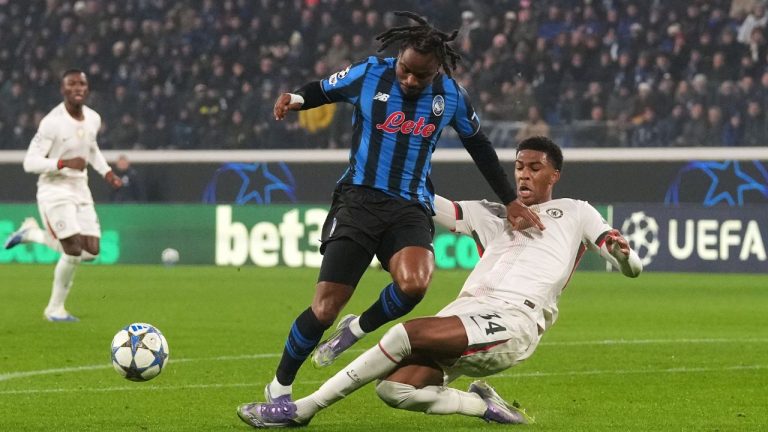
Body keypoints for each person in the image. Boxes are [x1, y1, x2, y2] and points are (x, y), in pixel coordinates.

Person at [237, 136, 642, 427]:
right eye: (518, 166)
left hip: (514, 319)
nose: (523, 174)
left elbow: (626, 261)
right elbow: (430, 204)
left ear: (555, 173)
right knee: (394, 390)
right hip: (464, 313)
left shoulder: (575, 212)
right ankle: (483, 406)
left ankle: (302, 410)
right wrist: (396, 168)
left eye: (534, 168)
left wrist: (627, 258)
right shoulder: (493, 213)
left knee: (404, 334)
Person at [263, 11, 544, 403]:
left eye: (420, 76)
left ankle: (358, 328)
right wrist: (294, 99)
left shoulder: (450, 96)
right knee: (324, 309)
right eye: (405, 70)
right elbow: (323, 90)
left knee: (415, 285)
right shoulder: (369, 73)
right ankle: (280, 387)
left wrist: (510, 200)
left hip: (410, 205)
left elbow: (479, 147)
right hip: (358, 201)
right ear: (398, 58)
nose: (410, 80)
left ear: (436, 71)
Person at [3, 69, 122, 321]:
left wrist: (107, 172)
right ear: (63, 90)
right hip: (54, 189)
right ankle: (54, 309)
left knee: (91, 252)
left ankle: (31, 234)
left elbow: (91, 148)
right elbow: (30, 162)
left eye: (82, 83)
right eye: (72, 84)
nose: (78, 88)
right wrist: (62, 163)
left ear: (87, 89)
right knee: (72, 250)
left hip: (80, 188)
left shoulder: (93, 119)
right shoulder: (52, 122)